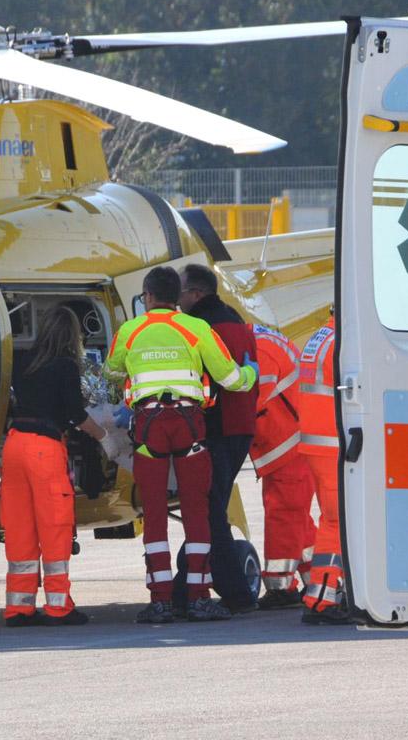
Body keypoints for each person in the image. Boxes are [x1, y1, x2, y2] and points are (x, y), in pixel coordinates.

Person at [106, 266, 257, 623]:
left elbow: (111, 374)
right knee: (196, 511)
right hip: (190, 428)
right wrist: (250, 371)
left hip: (148, 430)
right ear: (177, 297)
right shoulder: (197, 328)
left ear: (147, 296)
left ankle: (159, 600)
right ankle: (198, 597)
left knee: (155, 513)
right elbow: (230, 379)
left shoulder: (129, 331)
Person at [2, 306, 119, 627]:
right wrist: (105, 437)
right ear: (73, 336)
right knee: (54, 526)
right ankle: (58, 606)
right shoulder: (65, 365)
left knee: (20, 527)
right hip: (44, 449)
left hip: (14, 445)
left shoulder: (24, 361)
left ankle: (19, 608)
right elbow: (75, 414)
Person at [178, 264, 259, 613]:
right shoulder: (236, 320)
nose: (176, 301)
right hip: (240, 428)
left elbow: (210, 378)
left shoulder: (204, 327)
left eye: (180, 293)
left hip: (217, 429)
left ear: (196, 293)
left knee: (210, 513)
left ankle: (234, 593)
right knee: (210, 509)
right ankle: (187, 585)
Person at [251, 323, 317, 609]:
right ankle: (318, 578)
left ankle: (281, 586)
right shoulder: (263, 341)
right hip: (292, 443)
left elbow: (251, 402)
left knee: (284, 514)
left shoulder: (260, 350)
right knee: (297, 517)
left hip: (287, 445)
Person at [297, 310, 349, 624]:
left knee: (333, 518)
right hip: (333, 445)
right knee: (336, 521)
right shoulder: (342, 343)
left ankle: (326, 593)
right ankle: (321, 599)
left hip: (318, 445)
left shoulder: (320, 338)